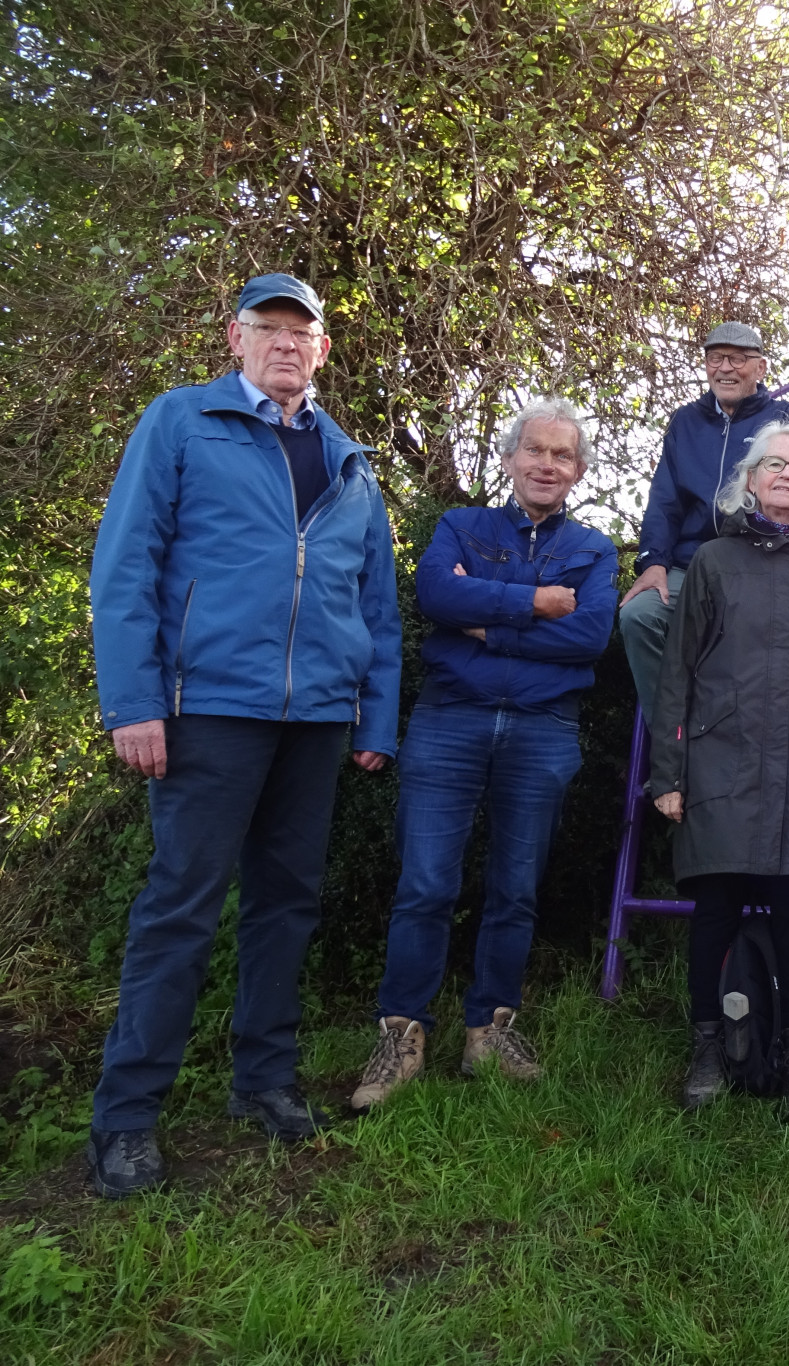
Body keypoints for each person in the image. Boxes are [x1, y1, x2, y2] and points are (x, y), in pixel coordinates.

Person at [85, 273, 402, 1198]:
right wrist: (134, 702)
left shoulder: (350, 460)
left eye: (300, 333)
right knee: (180, 905)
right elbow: (126, 564)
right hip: (206, 710)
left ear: (322, 350)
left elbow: (374, 605)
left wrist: (372, 716)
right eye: (267, 328)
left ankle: (263, 1083)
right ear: (236, 339)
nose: (284, 345)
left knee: (287, 903)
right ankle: (127, 1117)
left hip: (313, 722)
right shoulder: (181, 423)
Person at [350, 399, 617, 1111]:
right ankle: (401, 1033)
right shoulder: (460, 525)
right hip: (450, 720)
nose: (547, 464)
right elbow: (436, 594)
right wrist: (535, 605)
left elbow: (589, 637)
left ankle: (489, 1030)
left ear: (578, 471)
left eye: (562, 456)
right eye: (535, 450)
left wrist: (486, 623)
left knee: (516, 889)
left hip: (543, 728)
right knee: (425, 885)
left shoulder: (594, 547)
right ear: (508, 460)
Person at [648, 423, 789, 1111]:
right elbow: (677, 670)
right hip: (719, 761)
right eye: (772, 464)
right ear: (748, 481)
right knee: (713, 907)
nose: (784, 475)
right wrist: (670, 773)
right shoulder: (713, 561)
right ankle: (708, 1046)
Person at [619, 323, 789, 722]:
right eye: (715, 358)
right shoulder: (685, 421)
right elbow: (665, 500)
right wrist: (652, 562)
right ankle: (670, 738)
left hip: (754, 562)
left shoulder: (784, 418)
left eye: (737, 358)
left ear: (760, 368)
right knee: (639, 617)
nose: (725, 368)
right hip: (688, 564)